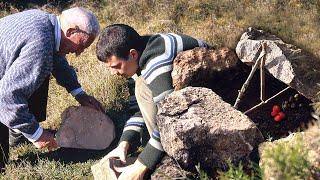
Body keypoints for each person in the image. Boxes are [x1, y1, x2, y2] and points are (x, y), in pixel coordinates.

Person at [96, 24, 209, 179]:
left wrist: (142, 164)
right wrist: (124, 143)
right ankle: (159, 152)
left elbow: (170, 119)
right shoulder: (138, 57)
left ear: (133, 54)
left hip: (214, 92)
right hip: (185, 98)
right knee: (141, 87)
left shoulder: (156, 63)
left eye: (116, 66)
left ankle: (170, 159)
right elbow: (137, 109)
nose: (113, 73)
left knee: (142, 88)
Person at [0, 7, 104, 171]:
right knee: (1, 163)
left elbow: (57, 59)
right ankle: (20, 131)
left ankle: (17, 132)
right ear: (70, 31)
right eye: (81, 45)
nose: (79, 53)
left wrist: (79, 93)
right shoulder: (40, 45)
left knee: (39, 71)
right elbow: (6, 97)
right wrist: (37, 134)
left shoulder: (46, 23)